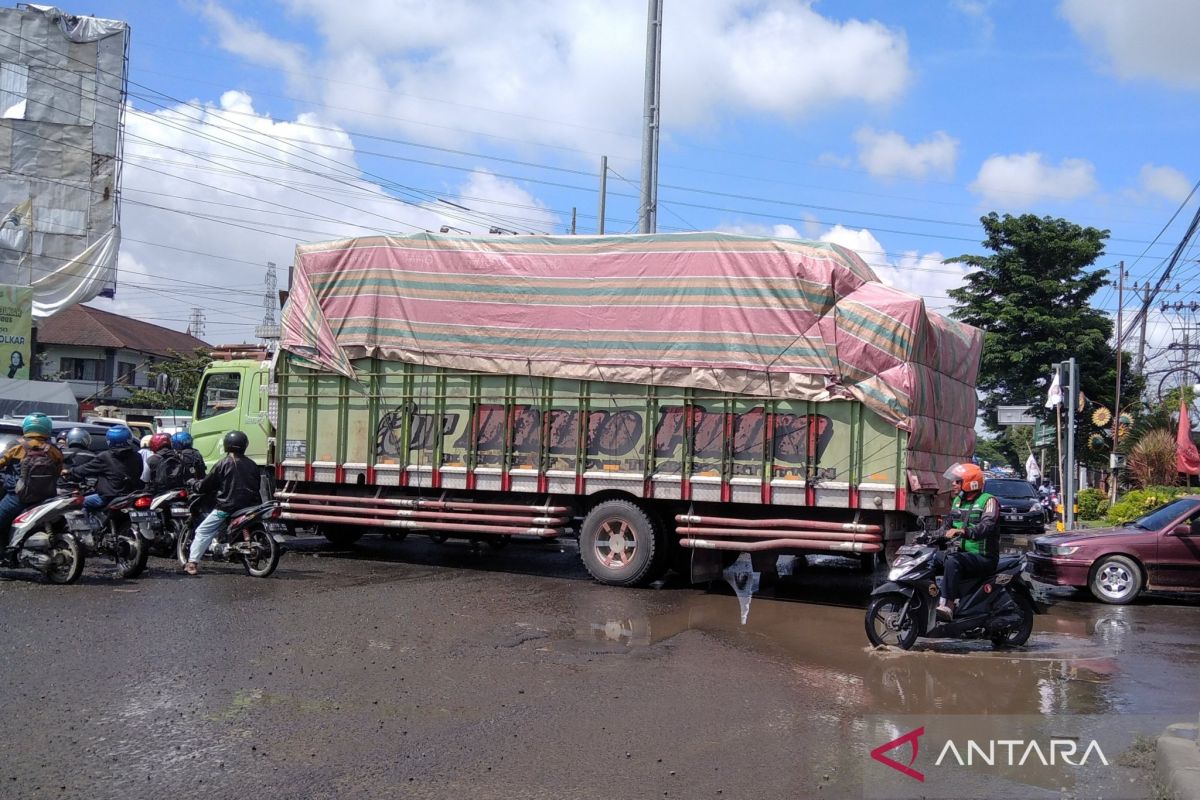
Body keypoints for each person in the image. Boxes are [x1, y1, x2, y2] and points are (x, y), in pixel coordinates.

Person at [183, 430, 260, 576]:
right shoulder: (252, 464)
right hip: (251, 506)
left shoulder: (223, 463)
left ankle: (192, 563)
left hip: (227, 507)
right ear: (245, 445)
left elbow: (206, 484)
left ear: (226, 445)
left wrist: (194, 484)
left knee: (203, 531)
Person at [938, 462, 1000, 620]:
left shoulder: (989, 501)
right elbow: (947, 524)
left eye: (957, 481)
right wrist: (930, 535)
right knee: (933, 558)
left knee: (952, 561)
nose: (953, 483)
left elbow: (987, 526)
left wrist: (963, 531)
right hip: (964, 555)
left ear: (970, 483)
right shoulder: (958, 501)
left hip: (983, 557)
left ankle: (948, 605)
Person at [0, 412, 63, 562]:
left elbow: (1, 461)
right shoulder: (53, 449)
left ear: (26, 427)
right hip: (46, 497)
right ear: (47, 429)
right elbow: (59, 470)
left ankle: (3, 554)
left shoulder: (16, 446)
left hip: (18, 497)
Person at [67, 425, 144, 514]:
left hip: (109, 497)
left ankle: (85, 527)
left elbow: (85, 469)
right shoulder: (137, 456)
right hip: (131, 494)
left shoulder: (105, 456)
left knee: (79, 503)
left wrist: (70, 471)